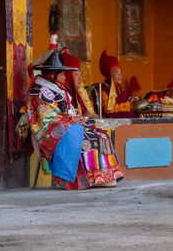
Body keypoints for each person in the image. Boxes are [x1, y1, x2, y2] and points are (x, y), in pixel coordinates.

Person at [26, 49, 123, 189]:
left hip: (68, 125)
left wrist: (78, 118)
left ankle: (103, 176)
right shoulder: (39, 91)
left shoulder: (57, 88)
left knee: (102, 135)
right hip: (52, 133)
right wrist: (72, 121)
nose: (66, 77)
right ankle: (84, 179)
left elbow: (66, 112)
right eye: (63, 74)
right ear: (54, 74)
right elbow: (47, 118)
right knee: (86, 141)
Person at [99, 50, 139, 118]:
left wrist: (132, 98)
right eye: (116, 73)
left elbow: (126, 97)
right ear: (110, 74)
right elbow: (108, 109)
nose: (120, 76)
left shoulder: (119, 88)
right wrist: (128, 103)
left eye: (120, 72)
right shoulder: (104, 89)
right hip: (111, 119)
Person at [61, 47, 98, 119]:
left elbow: (88, 112)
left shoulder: (77, 92)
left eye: (80, 75)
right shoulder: (62, 93)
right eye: (76, 75)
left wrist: (93, 116)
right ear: (69, 76)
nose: (80, 79)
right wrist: (85, 117)